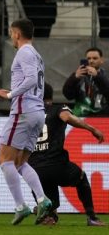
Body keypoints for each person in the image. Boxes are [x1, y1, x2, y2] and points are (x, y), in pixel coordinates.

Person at [0, 18, 52, 225]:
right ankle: (42, 199)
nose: (10, 36)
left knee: (4, 160)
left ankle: (21, 206)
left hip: (23, 112)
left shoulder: (24, 52)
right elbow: (34, 82)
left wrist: (10, 96)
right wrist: (9, 93)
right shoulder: (37, 54)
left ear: (17, 33)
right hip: (36, 112)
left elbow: (31, 80)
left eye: (11, 32)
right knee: (19, 162)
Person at [29, 83, 106, 226]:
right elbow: (68, 118)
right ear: (51, 96)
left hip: (34, 168)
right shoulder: (58, 108)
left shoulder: (28, 113)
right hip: (56, 164)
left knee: (48, 191)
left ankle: (48, 214)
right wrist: (92, 129)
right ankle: (92, 218)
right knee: (81, 178)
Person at [62, 47, 109, 117]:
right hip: (81, 116)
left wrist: (97, 77)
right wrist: (74, 78)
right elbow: (68, 95)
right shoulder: (79, 76)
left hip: (102, 116)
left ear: (101, 60)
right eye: (88, 58)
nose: (91, 61)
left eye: (95, 58)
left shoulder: (105, 76)